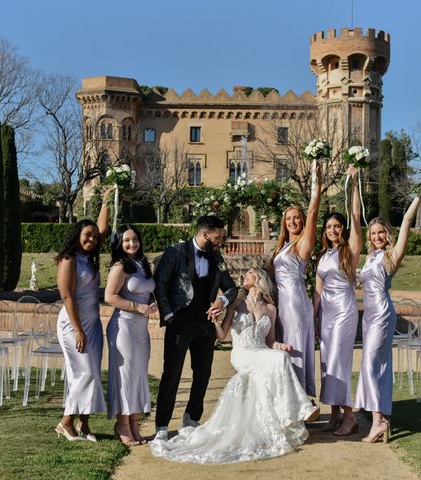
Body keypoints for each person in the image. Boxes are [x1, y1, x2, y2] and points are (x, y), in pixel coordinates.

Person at [150, 268, 317, 464]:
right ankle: (302, 407)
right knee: (279, 360)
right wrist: (215, 322)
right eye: (244, 274)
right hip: (242, 353)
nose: (244, 276)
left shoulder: (271, 309)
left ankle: (284, 416)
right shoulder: (237, 304)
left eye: (249, 273)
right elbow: (222, 336)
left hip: (262, 351)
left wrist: (282, 346)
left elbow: (270, 341)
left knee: (281, 356)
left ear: (260, 279)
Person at [354, 176, 421, 443]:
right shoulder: (370, 257)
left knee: (370, 364)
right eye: (373, 234)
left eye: (381, 233)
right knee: (379, 365)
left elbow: (407, 221)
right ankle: (381, 415)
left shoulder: (391, 255)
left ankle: (377, 421)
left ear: (387, 234)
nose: (376, 237)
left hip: (383, 314)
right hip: (369, 315)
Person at [153, 215, 238, 440]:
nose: (221, 240)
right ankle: (162, 424)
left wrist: (223, 301)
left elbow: (232, 288)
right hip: (180, 322)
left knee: (203, 373)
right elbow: (160, 282)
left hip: (206, 324)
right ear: (204, 234)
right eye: (218, 237)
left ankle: (192, 417)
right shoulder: (175, 252)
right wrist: (169, 315)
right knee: (172, 373)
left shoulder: (217, 257)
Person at [54, 189, 112, 441]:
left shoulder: (90, 258)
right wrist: (78, 329)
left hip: (93, 322)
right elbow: (67, 296)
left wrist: (107, 201)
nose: (91, 239)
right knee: (83, 373)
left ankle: (84, 424)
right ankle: (65, 422)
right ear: (77, 236)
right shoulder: (69, 259)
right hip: (73, 324)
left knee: (94, 373)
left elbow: (102, 228)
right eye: (86, 235)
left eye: (94, 237)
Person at [313, 167, 361, 436]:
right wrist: (314, 317)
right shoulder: (323, 255)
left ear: (342, 229)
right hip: (327, 314)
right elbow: (318, 290)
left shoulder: (348, 251)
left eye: (337, 226)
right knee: (326, 363)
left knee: (339, 362)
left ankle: (350, 416)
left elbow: (356, 219)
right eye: (329, 226)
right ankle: (334, 414)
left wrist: (354, 184)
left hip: (344, 312)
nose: (333, 230)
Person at [271, 162, 322, 405]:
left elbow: (313, 211)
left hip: (296, 304)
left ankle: (301, 403)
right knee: (284, 351)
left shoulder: (303, 244)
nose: (293, 222)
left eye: (297, 218)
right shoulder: (282, 245)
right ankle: (291, 402)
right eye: (289, 218)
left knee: (295, 350)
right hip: (283, 306)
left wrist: (317, 182)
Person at [104, 224, 158, 446]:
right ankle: (122, 425)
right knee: (125, 376)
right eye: (126, 240)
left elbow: (148, 291)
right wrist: (137, 306)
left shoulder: (143, 263)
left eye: (134, 239)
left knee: (138, 375)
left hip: (141, 329)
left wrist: (153, 303)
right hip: (123, 327)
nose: (132, 243)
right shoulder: (120, 266)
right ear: (119, 243)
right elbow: (109, 296)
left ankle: (135, 424)